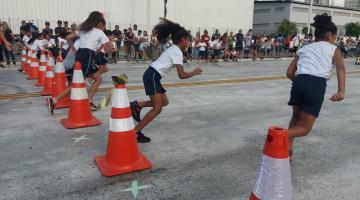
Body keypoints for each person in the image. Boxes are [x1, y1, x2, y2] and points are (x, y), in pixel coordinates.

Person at [129, 19, 203, 143]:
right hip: (152, 76)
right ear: (183, 39)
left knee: (164, 102)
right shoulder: (177, 52)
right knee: (158, 108)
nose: (189, 43)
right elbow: (182, 75)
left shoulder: (174, 49)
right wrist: (194, 72)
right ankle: (134, 133)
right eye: (189, 41)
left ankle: (137, 105)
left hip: (153, 75)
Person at [286, 14, 346, 161]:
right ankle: (280, 135)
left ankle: (287, 151)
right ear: (329, 35)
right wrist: (341, 91)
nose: (335, 40)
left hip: (298, 82)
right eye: (335, 37)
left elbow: (289, 73)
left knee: (296, 118)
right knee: (305, 129)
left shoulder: (304, 48)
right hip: (316, 85)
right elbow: (341, 70)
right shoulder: (333, 49)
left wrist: (301, 82)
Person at [47, 11, 114, 113]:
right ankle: (54, 100)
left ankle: (89, 100)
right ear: (100, 24)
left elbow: (68, 38)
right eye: (103, 25)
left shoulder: (84, 30)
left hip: (80, 54)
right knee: (78, 82)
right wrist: (109, 42)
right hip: (87, 56)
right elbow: (108, 51)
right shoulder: (100, 33)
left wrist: (74, 49)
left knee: (98, 78)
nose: (103, 28)